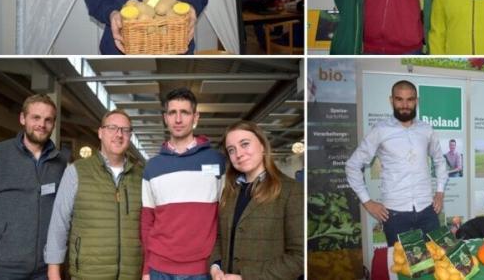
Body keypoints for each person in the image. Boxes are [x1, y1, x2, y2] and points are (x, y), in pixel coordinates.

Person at [0, 94, 67, 280]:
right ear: (23, 118)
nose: (42, 124)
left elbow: (62, 211)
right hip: (3, 267)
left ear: (53, 124)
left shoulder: (60, 162)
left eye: (48, 120)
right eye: (35, 117)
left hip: (46, 267)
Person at [345, 80, 448, 246]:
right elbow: (352, 166)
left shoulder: (426, 129)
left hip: (427, 210)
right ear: (391, 100)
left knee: (437, 260)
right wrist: (367, 202)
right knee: (404, 268)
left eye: (410, 99)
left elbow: (439, 161)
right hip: (395, 215)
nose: (405, 105)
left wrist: (440, 192)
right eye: (399, 99)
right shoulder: (380, 130)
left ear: (417, 101)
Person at [45, 109, 143, 280]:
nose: (119, 134)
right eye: (112, 128)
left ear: (130, 136)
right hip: (87, 274)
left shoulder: (140, 176)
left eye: (125, 130)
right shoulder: (76, 171)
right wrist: (53, 273)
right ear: (100, 132)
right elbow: (59, 223)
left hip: (131, 275)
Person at [141, 88, 226, 279]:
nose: (178, 120)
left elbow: (224, 217)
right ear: (165, 117)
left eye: (185, 112)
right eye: (172, 113)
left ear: (195, 116)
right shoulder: (152, 167)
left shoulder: (217, 161)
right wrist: (146, 269)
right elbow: (147, 222)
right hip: (159, 269)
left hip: (202, 270)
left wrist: (218, 263)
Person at [209, 121, 303, 279]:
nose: (238, 154)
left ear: (262, 146)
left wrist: (245, 277)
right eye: (231, 150)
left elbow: (299, 257)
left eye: (244, 144)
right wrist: (215, 266)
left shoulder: (291, 191)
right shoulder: (229, 191)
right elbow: (219, 236)